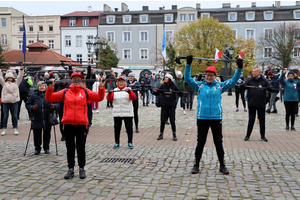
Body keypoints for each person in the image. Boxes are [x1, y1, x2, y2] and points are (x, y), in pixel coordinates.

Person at [184, 55, 243, 175]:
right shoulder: (199, 85)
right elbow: (187, 78)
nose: (209, 77)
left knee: (218, 142)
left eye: (211, 75)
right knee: (201, 142)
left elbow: (233, 81)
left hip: (216, 118)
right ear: (205, 75)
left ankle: (222, 165)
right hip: (202, 118)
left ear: (215, 76)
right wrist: (188, 65)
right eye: (207, 75)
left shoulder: (220, 86)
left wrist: (239, 68)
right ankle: (196, 165)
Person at [46, 72, 105, 179]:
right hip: (68, 124)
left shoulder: (86, 92)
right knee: (70, 148)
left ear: (81, 81)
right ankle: (71, 169)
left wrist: (101, 87)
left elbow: (99, 98)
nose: (76, 81)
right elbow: (50, 98)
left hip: (82, 124)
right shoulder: (65, 92)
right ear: (71, 80)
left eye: (78, 79)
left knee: (81, 147)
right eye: (74, 79)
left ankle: (82, 168)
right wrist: (50, 87)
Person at [26, 81, 60, 155]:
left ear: (46, 87)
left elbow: (58, 103)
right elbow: (28, 104)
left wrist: (54, 106)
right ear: (38, 87)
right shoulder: (33, 95)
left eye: (43, 86)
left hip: (48, 117)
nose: (42, 87)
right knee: (37, 134)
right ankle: (37, 148)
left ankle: (46, 148)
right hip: (36, 117)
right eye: (40, 86)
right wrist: (32, 107)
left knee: (47, 134)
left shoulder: (50, 94)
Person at [244, 67, 274, 142]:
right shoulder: (250, 80)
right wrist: (240, 86)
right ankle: (247, 135)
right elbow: (244, 86)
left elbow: (270, 87)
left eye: (254, 72)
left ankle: (262, 135)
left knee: (262, 120)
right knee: (251, 119)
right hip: (252, 103)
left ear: (258, 73)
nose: (253, 73)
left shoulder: (264, 80)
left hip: (261, 103)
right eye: (253, 71)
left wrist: (266, 88)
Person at [107, 76, 137, 149]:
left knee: (129, 128)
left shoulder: (128, 89)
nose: (121, 83)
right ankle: (117, 142)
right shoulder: (115, 90)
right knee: (117, 128)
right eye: (119, 82)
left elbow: (133, 97)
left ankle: (130, 142)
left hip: (127, 112)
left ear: (124, 83)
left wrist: (129, 92)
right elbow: (109, 99)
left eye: (122, 82)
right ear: (117, 83)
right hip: (117, 112)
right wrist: (110, 93)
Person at [151, 73, 183, 141]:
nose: (165, 79)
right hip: (164, 106)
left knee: (172, 121)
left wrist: (181, 92)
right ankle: (161, 134)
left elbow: (180, 93)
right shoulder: (162, 86)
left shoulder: (174, 86)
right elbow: (157, 93)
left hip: (171, 106)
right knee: (162, 121)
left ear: (170, 79)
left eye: (166, 77)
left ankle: (174, 134)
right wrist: (151, 90)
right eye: (164, 77)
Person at [0, 67, 24, 136]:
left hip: (14, 102)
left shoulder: (16, 84)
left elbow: (20, 76)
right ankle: (4, 129)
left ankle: (15, 129)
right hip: (6, 102)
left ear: (13, 78)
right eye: (8, 78)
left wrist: (21, 70)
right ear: (6, 78)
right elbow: (0, 77)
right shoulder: (4, 84)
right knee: (5, 116)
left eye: (11, 78)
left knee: (15, 116)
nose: (10, 79)